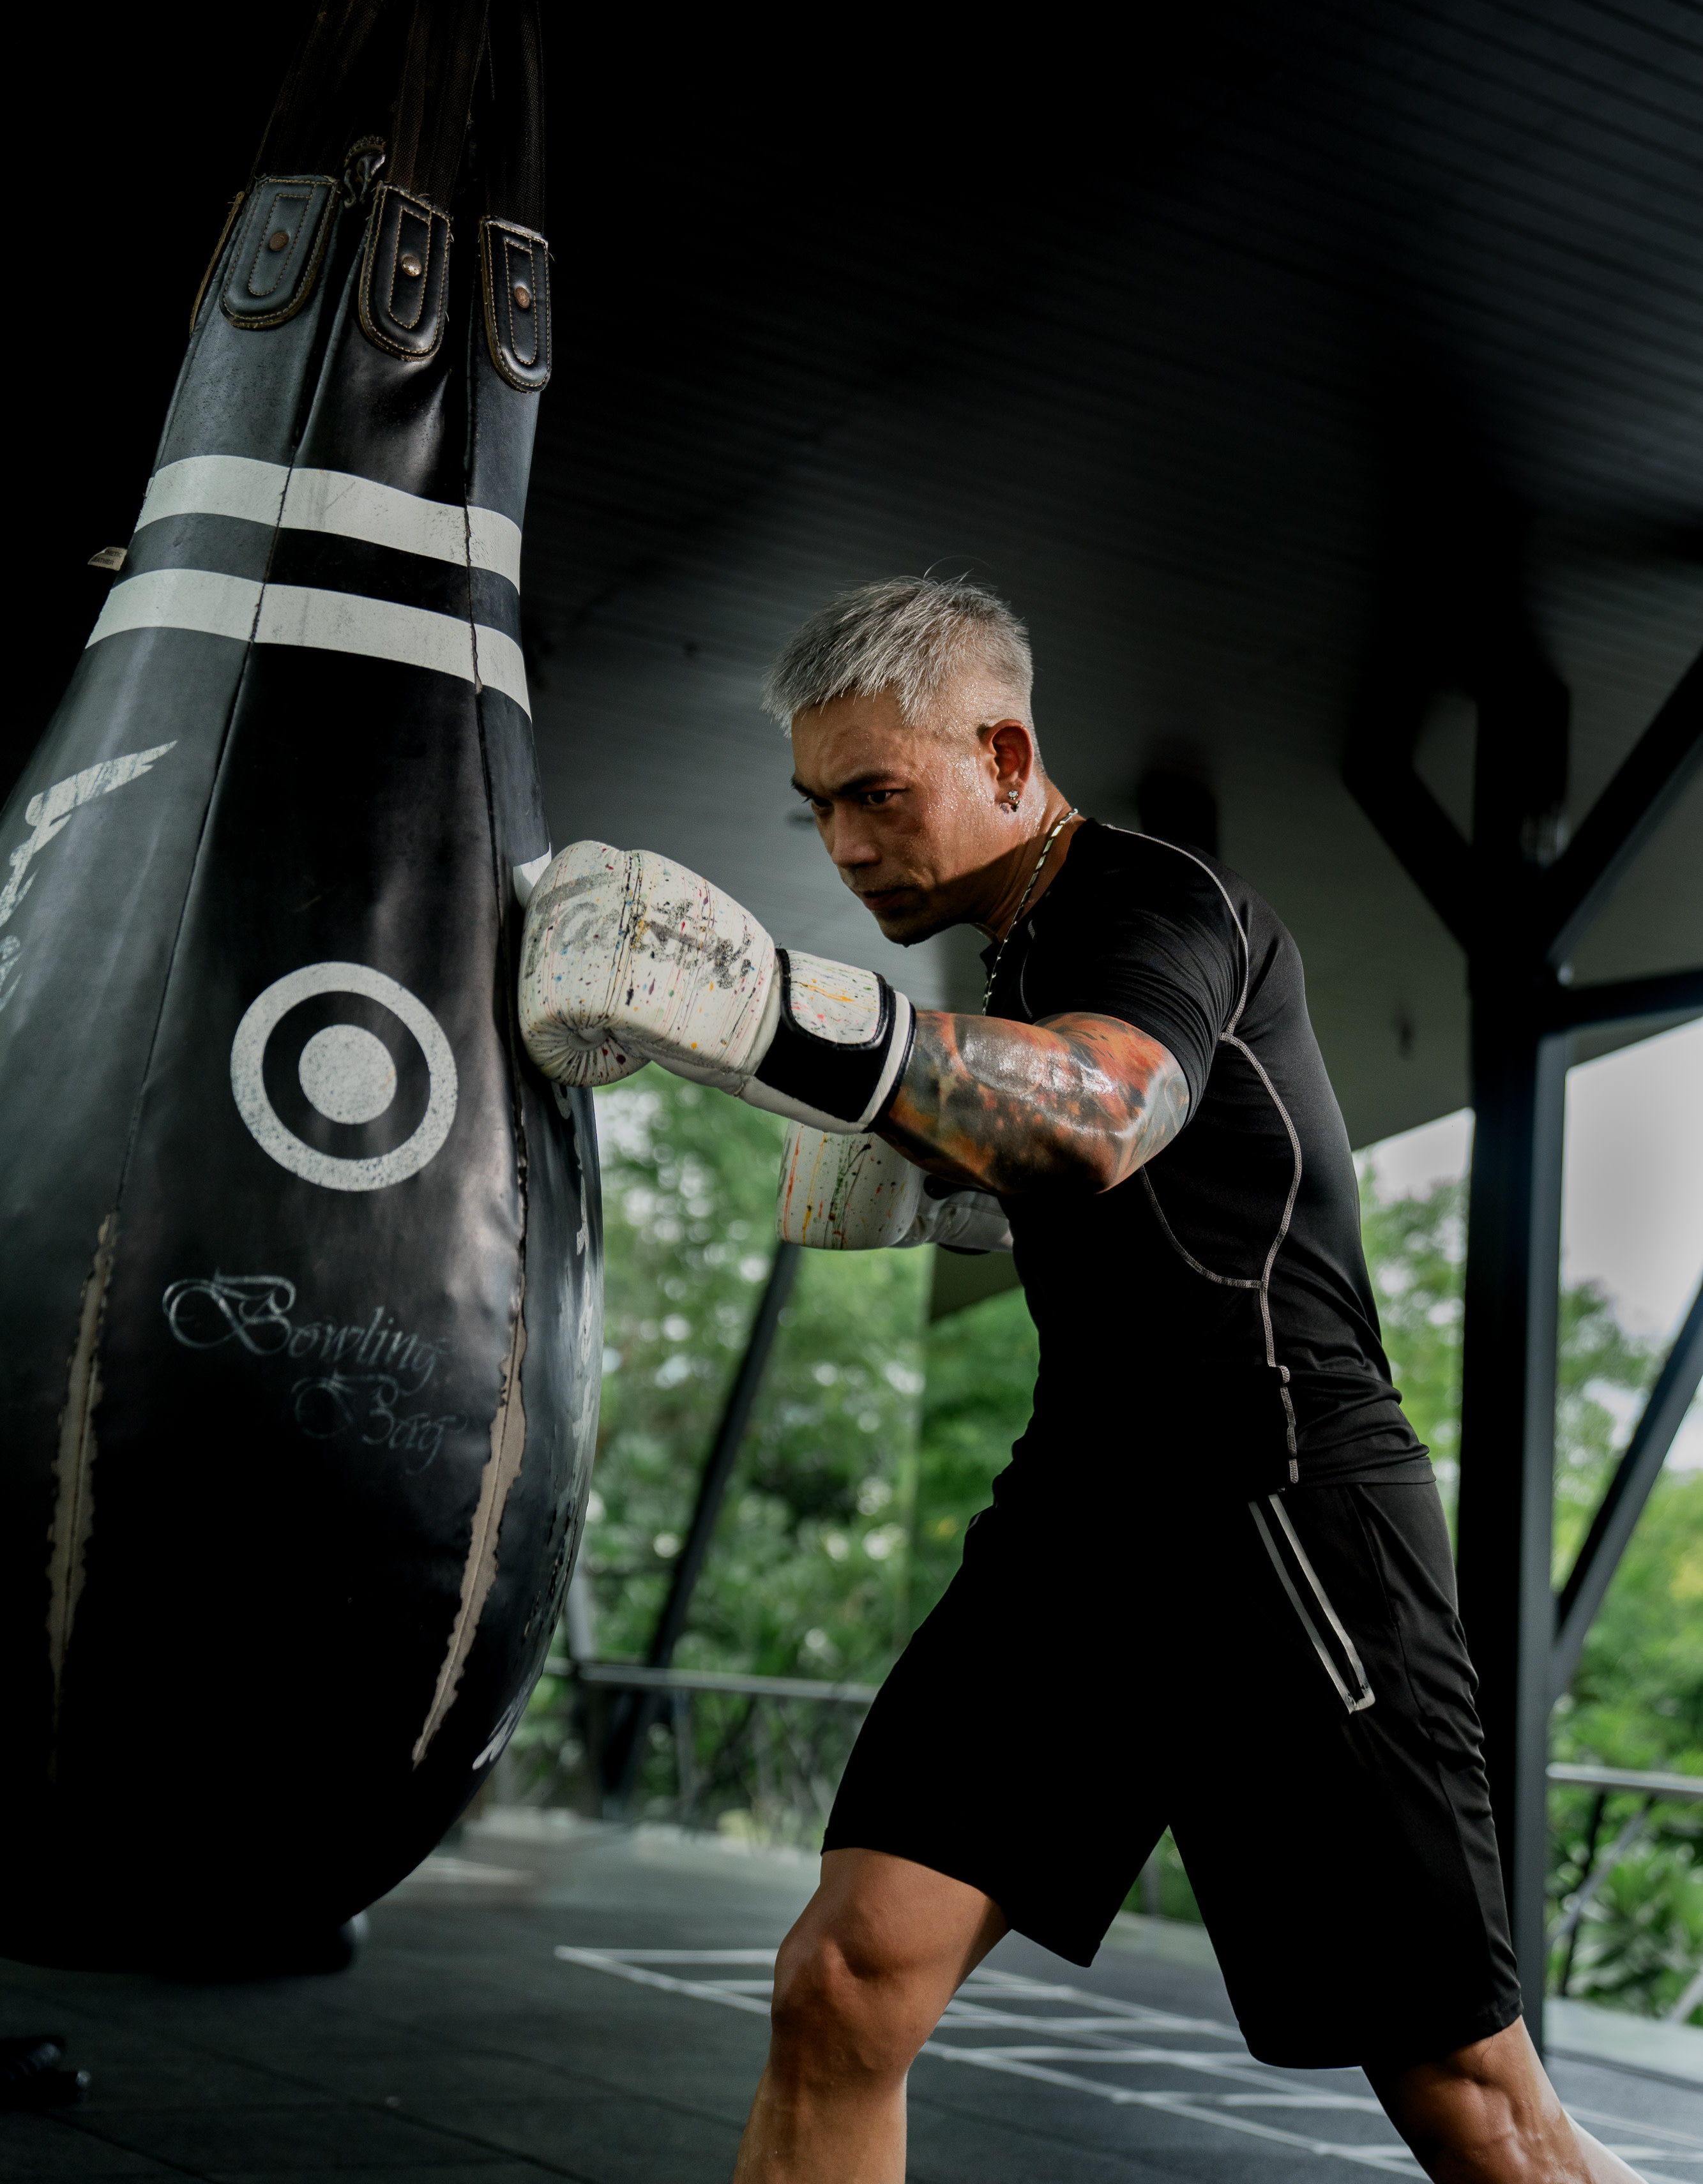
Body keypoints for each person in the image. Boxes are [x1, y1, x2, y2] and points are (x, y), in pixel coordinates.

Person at [517, 577, 1644, 2184]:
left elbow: (1100, 1115)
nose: (842, 844)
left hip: (1277, 1517)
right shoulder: (1023, 956)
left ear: (1001, 750)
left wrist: (773, 1011)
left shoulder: (1149, 901)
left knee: (1469, 2099)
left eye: (874, 794)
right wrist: (949, 1170)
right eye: (817, 805)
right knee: (842, 1977)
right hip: (1081, 1519)